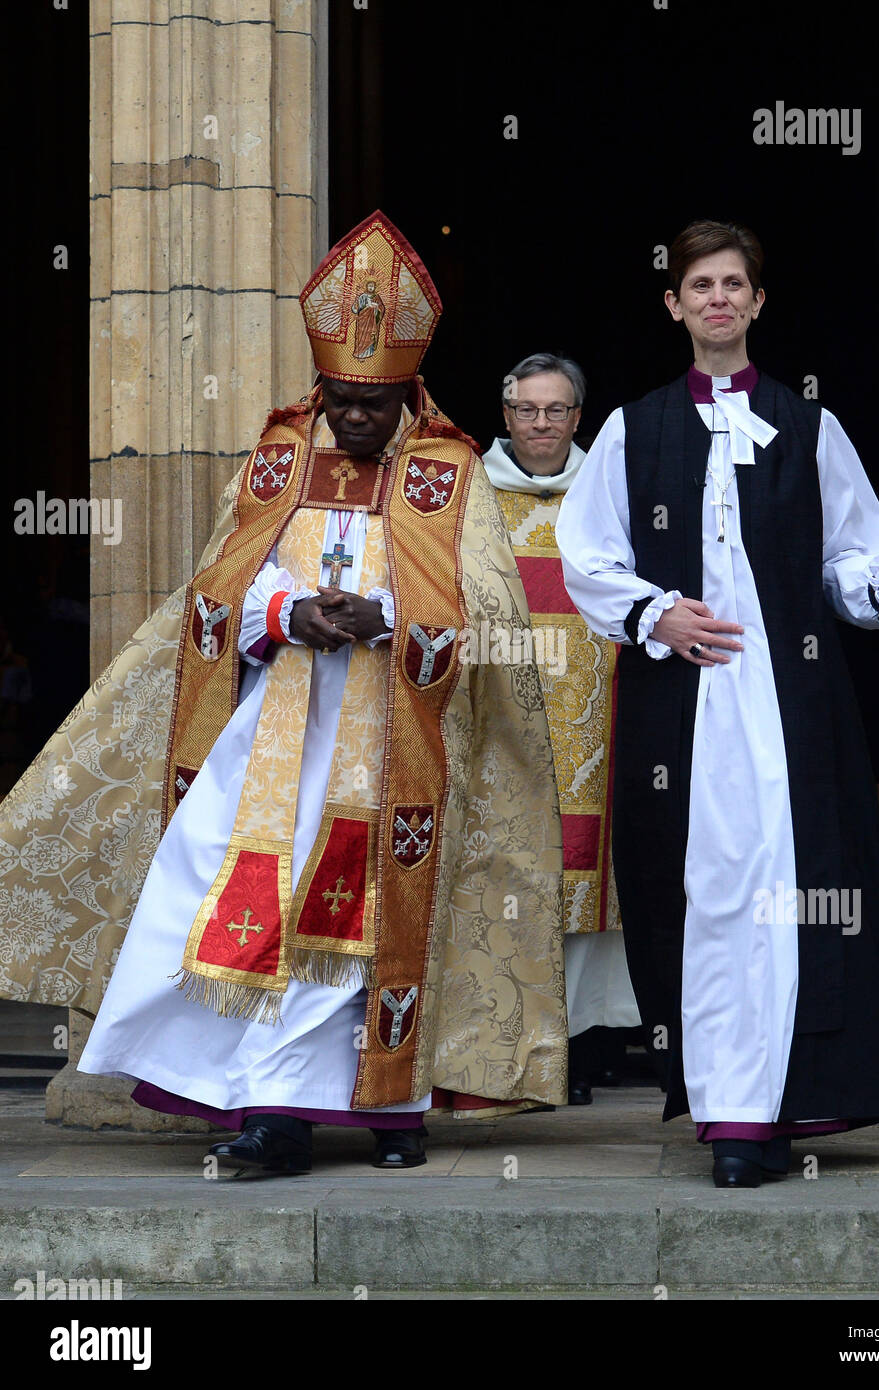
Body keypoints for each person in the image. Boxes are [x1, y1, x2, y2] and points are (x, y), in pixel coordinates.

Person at [1, 211, 566, 1174]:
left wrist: (387, 616)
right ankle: (258, 1097)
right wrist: (286, 616)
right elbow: (217, 587)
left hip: (393, 741)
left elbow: (488, 610)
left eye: (373, 402)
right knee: (238, 897)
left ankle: (368, 1105)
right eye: (342, 397)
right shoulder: (277, 457)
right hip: (271, 735)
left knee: (366, 913)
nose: (353, 418)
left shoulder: (448, 468)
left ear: (405, 391)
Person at [556, 219, 879, 1187]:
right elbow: (586, 557)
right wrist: (655, 613)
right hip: (680, 712)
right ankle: (729, 1111)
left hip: (793, 710)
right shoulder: (633, 428)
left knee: (796, 896)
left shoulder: (810, 425)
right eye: (699, 285)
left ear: (757, 303)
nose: (717, 298)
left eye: (734, 284)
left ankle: (792, 1097)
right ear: (672, 304)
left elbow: (851, 553)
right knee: (706, 895)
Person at [481, 354, 641, 1105]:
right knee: (513, 874)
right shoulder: (466, 497)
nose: (540, 424)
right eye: (526, 410)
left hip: (597, 717)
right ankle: (511, 1036)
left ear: (579, 418)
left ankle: (586, 1038)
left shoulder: (609, 491)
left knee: (589, 876)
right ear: (505, 415)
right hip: (501, 719)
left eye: (556, 410)